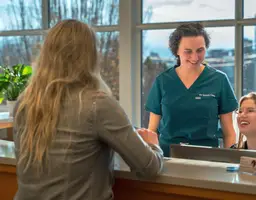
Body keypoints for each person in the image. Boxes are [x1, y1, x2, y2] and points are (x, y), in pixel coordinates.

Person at [13, 19, 163, 200]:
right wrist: (153, 144)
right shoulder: (97, 104)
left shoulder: (24, 102)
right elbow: (149, 168)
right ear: (90, 57)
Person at [145, 23, 238, 157]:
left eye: (200, 50)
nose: (195, 58)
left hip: (207, 159)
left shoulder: (219, 80)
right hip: (168, 158)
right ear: (176, 50)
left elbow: (229, 133)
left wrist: (230, 163)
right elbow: (152, 131)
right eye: (188, 51)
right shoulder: (163, 81)